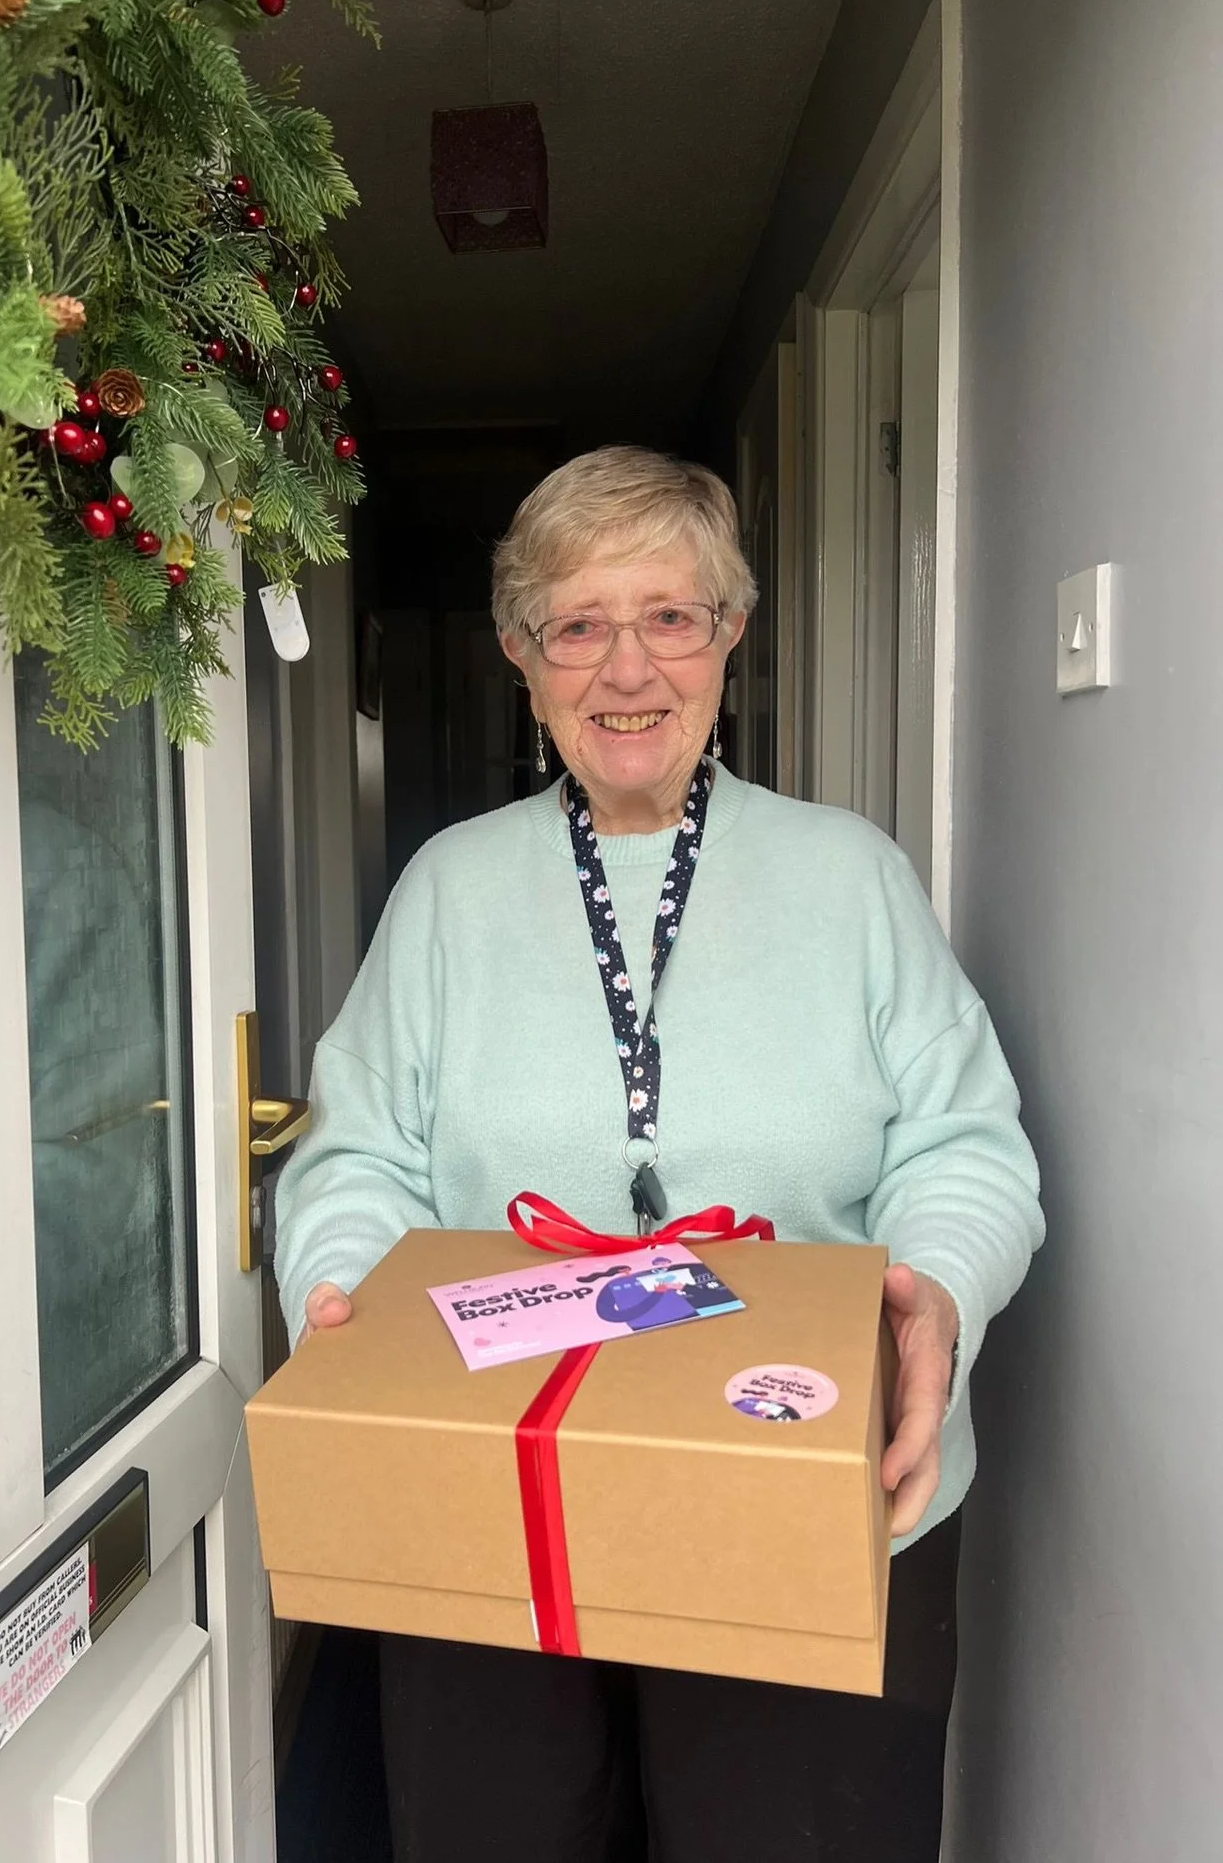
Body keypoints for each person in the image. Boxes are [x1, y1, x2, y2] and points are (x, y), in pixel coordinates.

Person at [274, 446, 1044, 1863]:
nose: (628, 669)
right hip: (492, 1493)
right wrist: (342, 1297)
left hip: (807, 1491)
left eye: (670, 616)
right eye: (578, 625)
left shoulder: (851, 877)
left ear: (729, 633)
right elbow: (356, 1155)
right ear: (523, 659)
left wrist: (936, 1294)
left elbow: (966, 1144)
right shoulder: (448, 890)